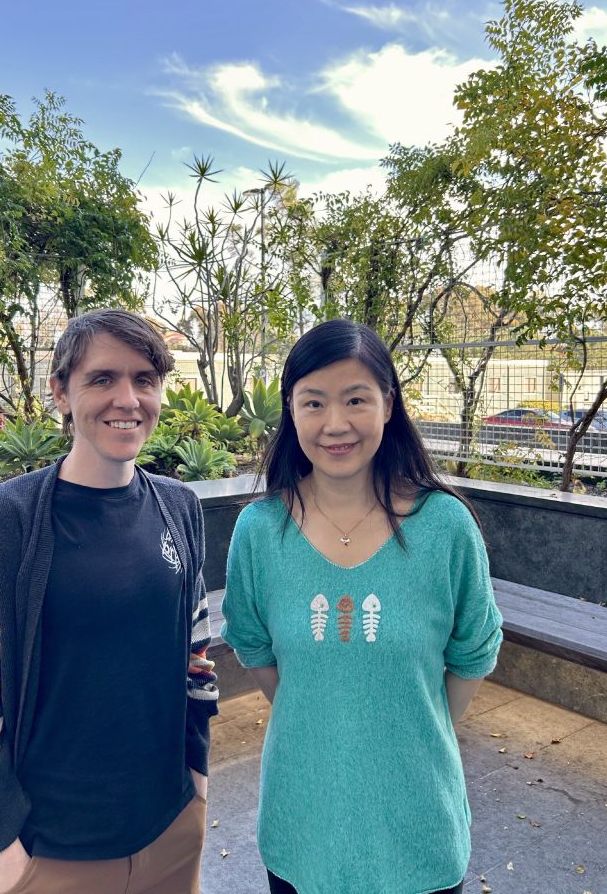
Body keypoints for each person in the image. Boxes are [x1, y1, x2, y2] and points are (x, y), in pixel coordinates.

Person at [0, 309, 219, 894]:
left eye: (145, 379)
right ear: (61, 392)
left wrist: (198, 780)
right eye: (102, 379)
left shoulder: (179, 508)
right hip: (49, 853)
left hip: (169, 832)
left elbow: (195, 657)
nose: (128, 399)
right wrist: (5, 854)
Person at [221, 319, 503, 894]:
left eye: (356, 399)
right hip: (303, 823)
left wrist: (407, 725)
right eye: (314, 402)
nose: (336, 424)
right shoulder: (259, 530)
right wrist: (321, 709)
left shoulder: (445, 527)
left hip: (418, 819)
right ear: (290, 411)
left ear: (388, 404)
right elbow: (253, 645)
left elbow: (473, 652)